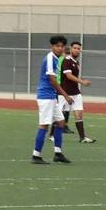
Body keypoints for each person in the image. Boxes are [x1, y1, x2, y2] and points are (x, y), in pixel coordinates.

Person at [31, 35, 74, 164]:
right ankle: (36, 155)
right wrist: (65, 95)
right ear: (52, 47)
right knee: (44, 125)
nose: (60, 48)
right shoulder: (50, 58)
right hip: (46, 96)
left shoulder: (57, 58)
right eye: (57, 46)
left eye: (62, 46)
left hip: (51, 96)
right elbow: (52, 80)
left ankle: (58, 153)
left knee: (60, 122)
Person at [59, 41, 96, 143]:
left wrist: (80, 82)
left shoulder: (76, 62)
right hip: (65, 93)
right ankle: (52, 135)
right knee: (58, 116)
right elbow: (68, 76)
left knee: (79, 114)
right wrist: (82, 81)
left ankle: (82, 137)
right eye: (75, 48)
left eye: (78, 48)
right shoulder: (66, 60)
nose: (77, 50)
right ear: (70, 49)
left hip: (75, 93)